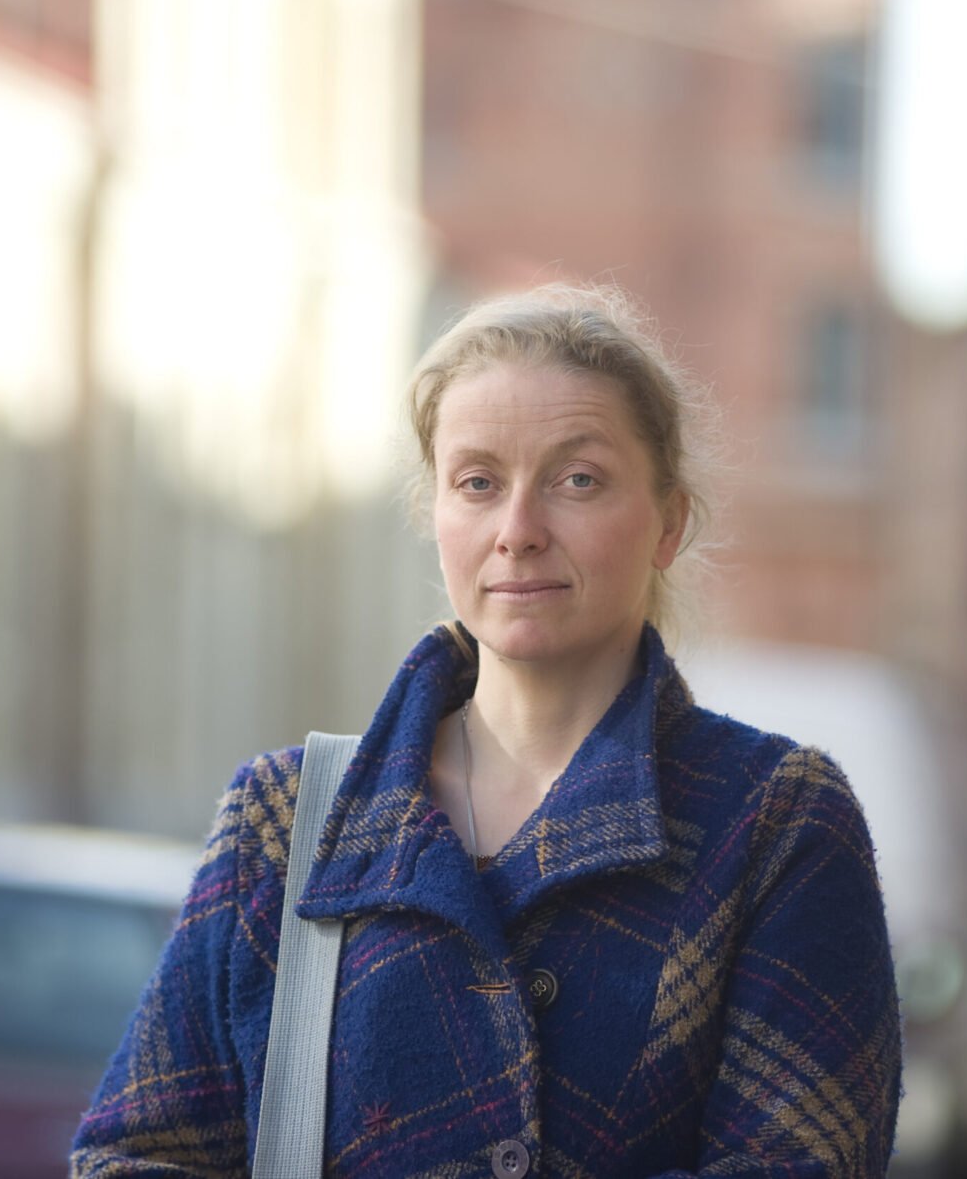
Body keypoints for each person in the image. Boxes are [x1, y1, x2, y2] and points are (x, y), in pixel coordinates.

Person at [71, 283, 902, 1177]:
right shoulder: (288, 821)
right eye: (477, 483)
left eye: (578, 480)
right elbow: (131, 1154)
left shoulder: (774, 824)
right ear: (435, 515)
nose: (518, 530)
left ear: (669, 522)